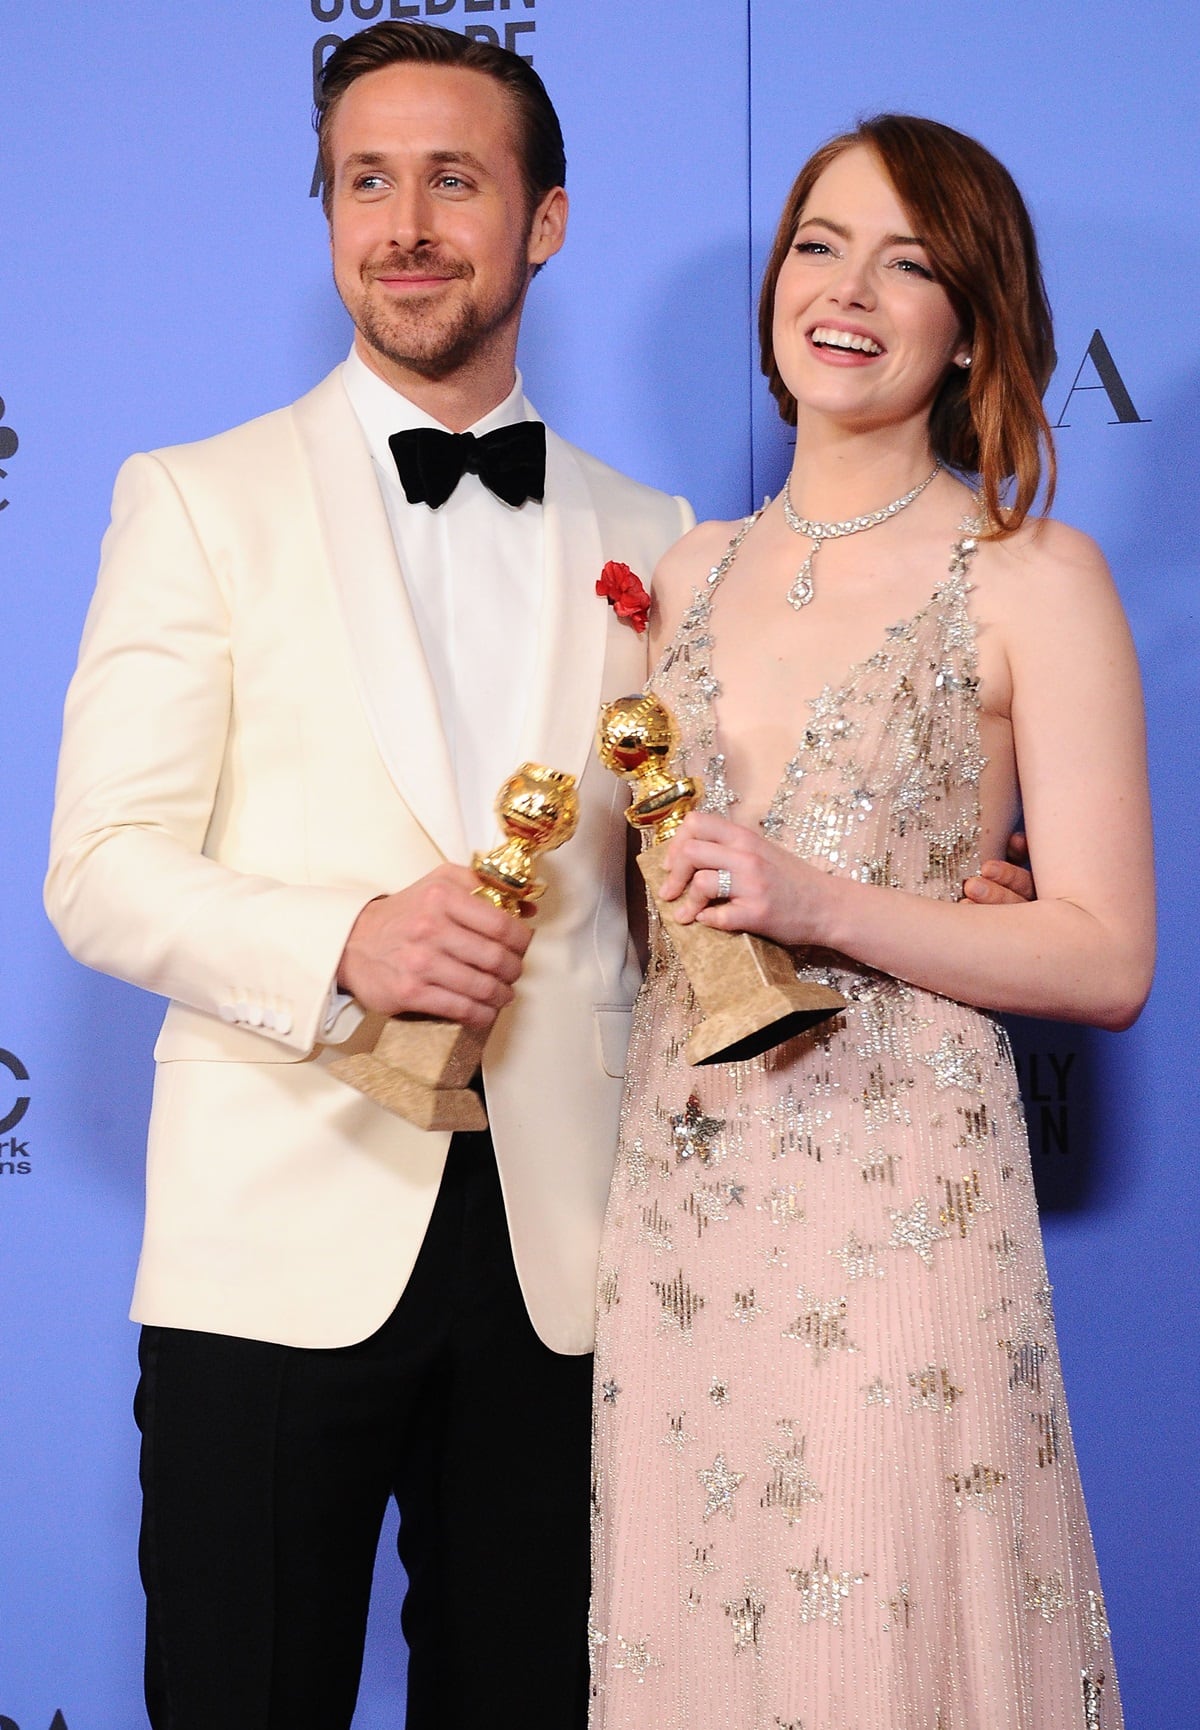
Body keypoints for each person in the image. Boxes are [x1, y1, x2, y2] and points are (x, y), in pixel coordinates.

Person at [43, 22, 693, 1730]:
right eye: (365, 180)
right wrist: (349, 938)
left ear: (544, 220)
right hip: (272, 1238)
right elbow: (100, 870)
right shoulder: (197, 498)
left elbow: (690, 874)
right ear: (327, 212)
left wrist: (933, 885)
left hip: (570, 1263)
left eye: (454, 179)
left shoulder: (664, 532)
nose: (404, 222)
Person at [589, 115, 1151, 1730]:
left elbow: (1107, 956)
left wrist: (832, 902)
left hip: (901, 1187)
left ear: (971, 321)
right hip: (683, 1197)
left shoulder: (1034, 574)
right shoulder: (679, 577)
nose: (849, 289)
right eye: (821, 244)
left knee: (878, 1641)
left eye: (910, 262)